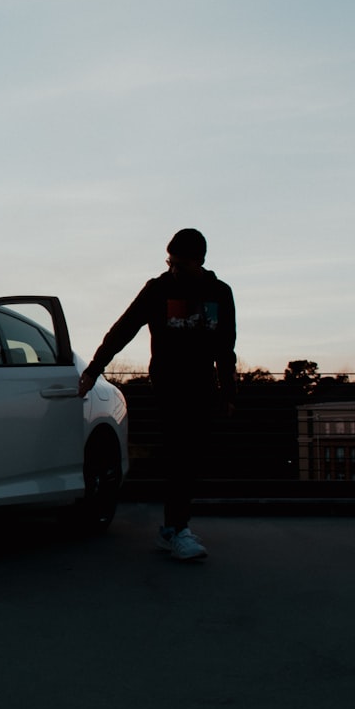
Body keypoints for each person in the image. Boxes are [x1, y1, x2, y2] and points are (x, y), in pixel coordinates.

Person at [77, 228, 236, 561]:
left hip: (203, 386)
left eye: (180, 264)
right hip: (169, 385)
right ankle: (176, 529)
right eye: (169, 262)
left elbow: (225, 347)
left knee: (191, 458)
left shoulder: (219, 293)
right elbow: (123, 328)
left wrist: (229, 391)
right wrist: (93, 369)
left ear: (200, 261)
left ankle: (174, 527)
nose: (173, 270)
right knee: (179, 452)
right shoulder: (158, 289)